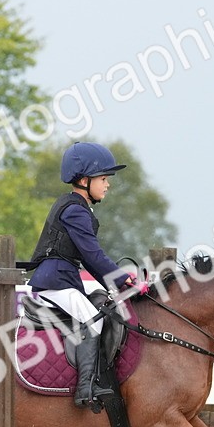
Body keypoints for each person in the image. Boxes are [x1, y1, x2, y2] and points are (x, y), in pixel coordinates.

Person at [28, 141, 140, 411]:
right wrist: (121, 277)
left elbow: (90, 262)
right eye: (103, 179)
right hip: (55, 282)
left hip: (63, 280)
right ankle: (85, 387)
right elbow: (94, 256)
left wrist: (116, 285)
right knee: (95, 321)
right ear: (83, 180)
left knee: (100, 311)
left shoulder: (78, 207)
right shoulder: (76, 210)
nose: (108, 185)